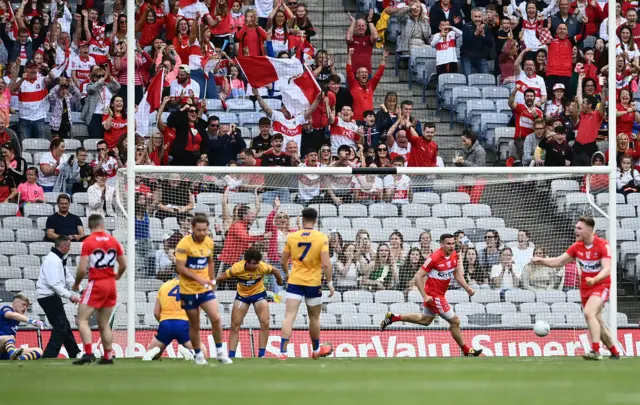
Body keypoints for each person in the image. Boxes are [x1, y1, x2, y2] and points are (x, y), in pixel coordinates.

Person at [531, 217, 620, 361]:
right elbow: (559, 261)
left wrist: (595, 279)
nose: (575, 230)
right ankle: (614, 352)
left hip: (601, 285)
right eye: (576, 227)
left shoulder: (603, 245)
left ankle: (596, 350)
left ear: (589, 230)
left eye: (579, 228)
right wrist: (542, 261)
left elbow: (607, 269)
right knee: (597, 319)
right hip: (585, 288)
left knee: (588, 312)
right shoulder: (577, 247)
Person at [379, 234, 483, 357]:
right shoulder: (434, 258)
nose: (451, 246)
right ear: (441, 244)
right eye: (448, 244)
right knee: (455, 321)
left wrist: (467, 288)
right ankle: (466, 350)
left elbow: (455, 272)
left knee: (425, 320)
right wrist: (425, 296)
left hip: (440, 294)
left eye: (452, 243)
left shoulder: (454, 254)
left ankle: (393, 317)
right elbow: (418, 277)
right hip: (434, 295)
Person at [174, 213, 232, 365]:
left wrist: (212, 282)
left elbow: (210, 262)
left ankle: (220, 352)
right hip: (188, 290)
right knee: (195, 324)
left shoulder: (209, 243)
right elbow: (180, 268)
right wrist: (198, 278)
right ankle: (198, 354)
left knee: (216, 318)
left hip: (205, 289)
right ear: (193, 228)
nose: (202, 233)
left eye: (204, 230)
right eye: (199, 230)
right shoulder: (183, 244)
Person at [279, 207, 334, 360]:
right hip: (313, 282)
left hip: (295, 280)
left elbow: (283, 260)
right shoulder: (321, 238)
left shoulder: (292, 236)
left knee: (289, 316)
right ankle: (316, 350)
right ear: (316, 220)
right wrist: (329, 282)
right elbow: (326, 264)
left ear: (302, 219)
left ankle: (282, 352)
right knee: (314, 318)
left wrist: (287, 273)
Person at [72, 214, 127, 365]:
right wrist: (117, 276)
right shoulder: (113, 240)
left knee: (81, 319)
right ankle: (108, 356)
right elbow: (124, 265)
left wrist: (76, 284)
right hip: (110, 284)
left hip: (97, 282)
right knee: (104, 324)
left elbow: (82, 269)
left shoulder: (88, 241)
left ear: (90, 226)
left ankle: (89, 353)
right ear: (102, 225)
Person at [215, 249, 283, 359]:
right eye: (253, 263)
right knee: (234, 325)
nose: (256, 266)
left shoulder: (262, 266)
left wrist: (280, 281)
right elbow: (222, 276)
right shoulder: (237, 268)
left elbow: (276, 271)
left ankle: (262, 355)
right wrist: (212, 283)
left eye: (257, 263)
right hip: (243, 297)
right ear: (246, 262)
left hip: (259, 295)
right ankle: (231, 356)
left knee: (265, 323)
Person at [36, 235, 81, 359]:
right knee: (60, 327)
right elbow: (54, 284)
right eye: (69, 246)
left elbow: (67, 277)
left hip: (52, 296)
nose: (70, 249)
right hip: (47, 297)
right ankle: (48, 356)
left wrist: (81, 289)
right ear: (63, 246)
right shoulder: (52, 260)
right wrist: (70, 296)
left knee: (64, 325)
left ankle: (75, 353)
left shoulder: (59, 259)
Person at [141, 277, 195, 361]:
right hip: (183, 324)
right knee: (202, 352)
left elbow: (156, 312)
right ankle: (190, 352)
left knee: (151, 352)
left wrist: (164, 323)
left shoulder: (164, 286)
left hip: (166, 324)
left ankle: (154, 352)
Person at [0, 294, 44, 361]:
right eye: (23, 304)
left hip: (6, 350)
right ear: (15, 303)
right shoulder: (6, 308)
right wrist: (32, 321)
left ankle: (19, 358)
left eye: (26, 306)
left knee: (39, 350)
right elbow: (11, 314)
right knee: (10, 337)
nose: (25, 308)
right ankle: (12, 354)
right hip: (2, 343)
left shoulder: (17, 320)